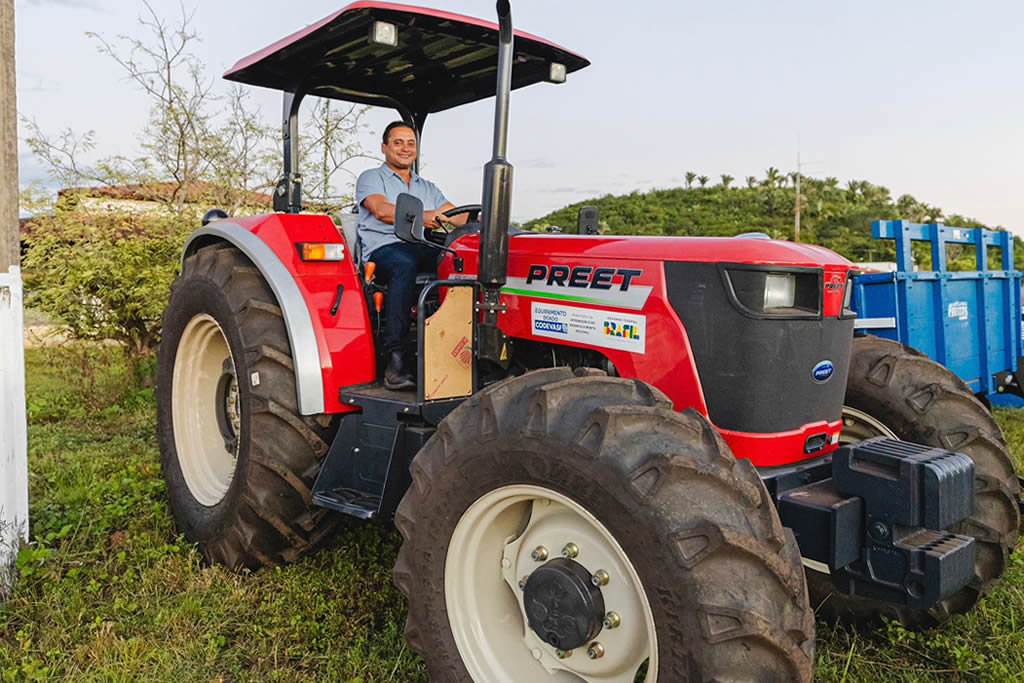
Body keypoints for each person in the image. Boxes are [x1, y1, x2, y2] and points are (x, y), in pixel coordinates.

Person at [356, 120, 468, 390]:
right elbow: (381, 210)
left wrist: (488, 219)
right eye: (398, 142)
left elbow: (455, 214)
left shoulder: (426, 187)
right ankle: (395, 363)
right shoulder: (371, 178)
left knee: (460, 260)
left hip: (419, 244)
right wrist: (424, 215)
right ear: (384, 147)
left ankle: (457, 346)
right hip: (384, 249)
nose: (405, 148)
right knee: (403, 265)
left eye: (410, 143)